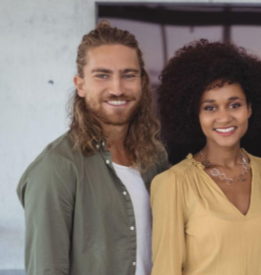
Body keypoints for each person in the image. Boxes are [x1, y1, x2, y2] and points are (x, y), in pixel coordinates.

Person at [16, 20, 168, 275]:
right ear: (81, 85)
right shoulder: (56, 168)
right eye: (102, 75)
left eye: (128, 75)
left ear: (142, 82)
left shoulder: (154, 157)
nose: (117, 88)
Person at [151, 40, 261, 275]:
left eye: (234, 105)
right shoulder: (174, 184)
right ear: (195, 114)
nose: (224, 118)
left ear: (249, 108)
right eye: (210, 108)